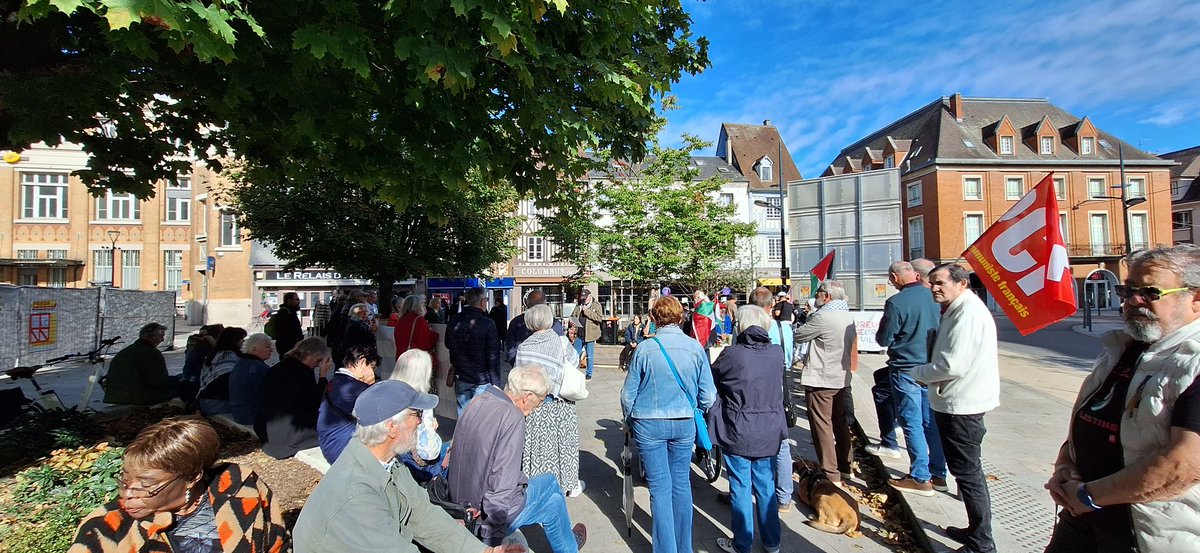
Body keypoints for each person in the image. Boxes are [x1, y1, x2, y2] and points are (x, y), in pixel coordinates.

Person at [1045, 244, 1200, 552]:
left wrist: (1090, 495)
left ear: (1195, 298)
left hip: (1143, 532)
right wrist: (1066, 465)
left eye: (1150, 293)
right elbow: (1095, 415)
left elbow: (1183, 466)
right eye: (1127, 291)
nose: (1134, 301)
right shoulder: (1126, 347)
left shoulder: (1192, 361)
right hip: (1083, 519)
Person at [293, 380, 521, 553]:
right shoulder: (357, 494)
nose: (421, 421)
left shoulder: (389, 462)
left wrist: (484, 551)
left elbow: (422, 513)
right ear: (391, 428)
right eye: (416, 414)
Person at [69, 417, 288, 552]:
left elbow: (276, 543)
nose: (129, 494)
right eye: (125, 481)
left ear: (192, 478)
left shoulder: (240, 489)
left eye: (147, 484)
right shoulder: (106, 527)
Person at [449, 366, 588, 551]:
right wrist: (492, 541)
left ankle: (569, 545)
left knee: (553, 503)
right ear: (527, 396)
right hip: (484, 518)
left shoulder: (478, 400)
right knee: (551, 482)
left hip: (461, 503)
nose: (537, 408)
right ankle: (569, 544)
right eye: (539, 402)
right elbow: (502, 484)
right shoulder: (512, 417)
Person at [910, 264, 998, 553]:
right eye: (931, 283)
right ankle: (976, 530)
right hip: (955, 401)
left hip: (962, 404)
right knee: (965, 473)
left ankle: (982, 543)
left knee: (968, 473)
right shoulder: (958, 308)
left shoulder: (968, 313)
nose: (934, 287)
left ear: (961, 284)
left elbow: (952, 365)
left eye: (940, 283)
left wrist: (919, 373)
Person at [621, 295, 716, 553]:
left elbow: (627, 394)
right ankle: (684, 547)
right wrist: (696, 408)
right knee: (681, 484)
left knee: (660, 487)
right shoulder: (695, 348)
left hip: (649, 423)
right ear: (680, 317)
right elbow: (708, 395)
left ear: (654, 318)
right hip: (684, 420)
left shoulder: (645, 348)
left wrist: (629, 420)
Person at [710, 305, 786, 553]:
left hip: (738, 428)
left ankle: (742, 544)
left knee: (740, 486)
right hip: (769, 429)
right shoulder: (776, 352)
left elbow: (714, 378)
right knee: (765, 486)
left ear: (740, 325)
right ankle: (772, 542)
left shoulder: (733, 354)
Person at [874, 260, 947, 496]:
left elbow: (884, 339)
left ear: (896, 277)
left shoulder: (896, 302)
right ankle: (938, 473)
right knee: (930, 422)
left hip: (905, 367)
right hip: (931, 367)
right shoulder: (934, 297)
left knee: (911, 421)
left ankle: (920, 476)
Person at [793, 280, 858, 489]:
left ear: (826, 296)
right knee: (840, 423)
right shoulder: (847, 314)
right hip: (841, 377)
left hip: (822, 377)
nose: (816, 295)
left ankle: (830, 473)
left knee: (822, 425)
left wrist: (808, 317)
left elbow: (799, 334)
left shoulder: (823, 315)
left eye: (818, 292)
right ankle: (846, 465)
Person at [514, 304, 584, 496]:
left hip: (534, 406)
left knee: (537, 448)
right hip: (560, 405)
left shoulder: (524, 347)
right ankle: (568, 484)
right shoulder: (561, 342)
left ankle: (536, 484)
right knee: (564, 447)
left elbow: (518, 378)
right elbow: (575, 362)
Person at [749, 287, 795, 511]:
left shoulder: (751, 327)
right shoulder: (784, 327)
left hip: (757, 385)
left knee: (752, 440)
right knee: (782, 442)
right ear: (771, 305)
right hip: (780, 384)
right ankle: (784, 496)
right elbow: (790, 357)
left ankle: (750, 489)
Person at [255, 337, 333, 459]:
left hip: (266, 430)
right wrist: (323, 376)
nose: (318, 365)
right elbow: (316, 401)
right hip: (289, 434)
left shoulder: (280, 367)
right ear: (310, 355)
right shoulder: (303, 372)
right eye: (318, 361)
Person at [389, 349, 448, 483]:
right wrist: (432, 430)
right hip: (417, 470)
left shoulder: (388, 393)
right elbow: (429, 451)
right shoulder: (421, 402)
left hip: (395, 459)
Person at [317, 345, 381, 463]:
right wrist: (371, 386)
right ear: (362, 363)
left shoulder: (337, 381)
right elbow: (380, 412)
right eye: (372, 367)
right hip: (343, 452)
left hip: (332, 445)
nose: (374, 373)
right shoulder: (352, 389)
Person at [446, 287, 501, 414]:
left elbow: (448, 343)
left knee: (463, 416)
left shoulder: (455, 320)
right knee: (481, 419)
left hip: (462, 375)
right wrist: (496, 383)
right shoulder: (488, 323)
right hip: (482, 378)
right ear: (482, 302)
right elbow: (493, 355)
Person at [103, 323, 178, 405]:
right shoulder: (152, 353)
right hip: (138, 397)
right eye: (161, 336)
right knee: (186, 385)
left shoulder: (125, 351)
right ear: (152, 337)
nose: (163, 340)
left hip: (115, 396)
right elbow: (160, 382)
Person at [196, 326, 248, 416]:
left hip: (204, 401)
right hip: (217, 403)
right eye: (241, 339)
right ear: (234, 341)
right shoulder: (228, 358)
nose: (243, 341)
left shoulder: (214, 355)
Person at [506, 290, 564, 366]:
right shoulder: (517, 323)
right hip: (531, 371)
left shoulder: (555, 323)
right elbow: (511, 350)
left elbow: (511, 349)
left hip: (527, 371)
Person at [229, 333, 274, 425]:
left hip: (239, 413)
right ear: (254, 349)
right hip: (252, 415)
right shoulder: (258, 368)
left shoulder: (240, 364)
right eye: (267, 347)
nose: (271, 350)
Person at [179, 324, 222, 403]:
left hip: (188, 381)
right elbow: (221, 357)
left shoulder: (194, 343)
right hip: (196, 385)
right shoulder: (204, 346)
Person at [393, 294, 439, 360]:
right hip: (415, 360)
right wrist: (434, 335)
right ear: (419, 306)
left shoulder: (401, 320)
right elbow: (424, 343)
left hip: (401, 358)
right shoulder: (419, 320)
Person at [571, 290, 603, 380]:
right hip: (579, 334)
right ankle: (574, 372)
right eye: (583, 299)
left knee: (590, 355)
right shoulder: (579, 305)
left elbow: (599, 318)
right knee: (575, 354)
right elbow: (574, 315)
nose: (584, 301)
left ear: (590, 296)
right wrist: (572, 321)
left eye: (585, 299)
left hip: (590, 334)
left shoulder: (596, 305)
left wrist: (587, 312)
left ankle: (589, 373)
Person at [273, 292, 305, 358]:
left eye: (298, 300)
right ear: (289, 300)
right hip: (287, 347)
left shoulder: (291, 311)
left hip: (293, 346)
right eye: (296, 299)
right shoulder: (284, 312)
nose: (298, 302)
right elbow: (281, 331)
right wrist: (292, 343)